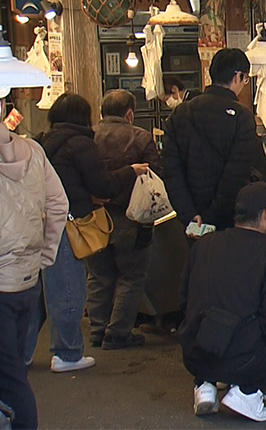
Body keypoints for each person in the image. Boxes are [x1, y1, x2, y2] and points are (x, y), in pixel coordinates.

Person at [27, 93, 149, 373]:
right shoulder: (81, 143)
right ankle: (67, 353)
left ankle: (20, 353)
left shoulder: (42, 143)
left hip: (40, 221)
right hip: (70, 222)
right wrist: (130, 171)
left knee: (42, 292)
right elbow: (102, 185)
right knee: (69, 288)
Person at [179, 183, 266, 423]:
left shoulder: (205, 244)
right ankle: (247, 393)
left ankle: (205, 386)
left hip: (194, 353)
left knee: (218, 332)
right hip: (242, 360)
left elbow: (184, 299)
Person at [0, 97, 69, 429]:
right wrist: (44, 255)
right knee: (12, 374)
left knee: (8, 380)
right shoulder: (34, 151)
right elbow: (59, 203)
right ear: (0, 109)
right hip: (26, 281)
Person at [88, 89, 162, 350]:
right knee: (131, 275)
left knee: (98, 274)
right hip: (132, 217)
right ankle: (117, 333)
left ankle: (97, 329)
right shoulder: (140, 137)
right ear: (130, 114)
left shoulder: (89, 137)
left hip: (95, 217)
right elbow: (156, 175)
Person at [163, 49, 266, 234]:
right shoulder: (242, 117)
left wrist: (190, 215)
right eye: (245, 79)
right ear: (238, 76)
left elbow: (171, 171)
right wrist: (211, 217)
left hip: (192, 223)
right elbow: (236, 173)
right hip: (229, 219)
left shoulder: (179, 114)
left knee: (198, 254)